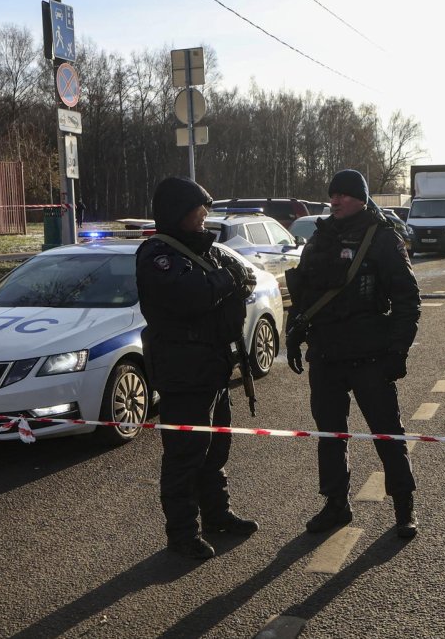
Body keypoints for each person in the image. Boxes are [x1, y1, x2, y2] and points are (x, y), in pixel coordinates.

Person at [285, 169, 421, 539]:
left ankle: (404, 507)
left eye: (343, 194)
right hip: (326, 356)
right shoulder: (321, 237)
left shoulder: (382, 238)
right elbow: (303, 295)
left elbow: (408, 300)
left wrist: (398, 351)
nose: (336, 200)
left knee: (387, 433)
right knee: (331, 435)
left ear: (360, 198)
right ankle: (335, 504)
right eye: (332, 195)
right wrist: (293, 335)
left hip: (371, 356)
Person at [135, 176, 259, 560]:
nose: (204, 217)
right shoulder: (159, 255)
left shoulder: (205, 250)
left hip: (213, 365)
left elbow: (246, 279)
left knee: (216, 447)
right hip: (182, 370)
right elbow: (192, 296)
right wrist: (224, 281)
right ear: (177, 213)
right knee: (185, 455)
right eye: (197, 211)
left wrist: (227, 280)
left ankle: (217, 515)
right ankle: (182, 534)